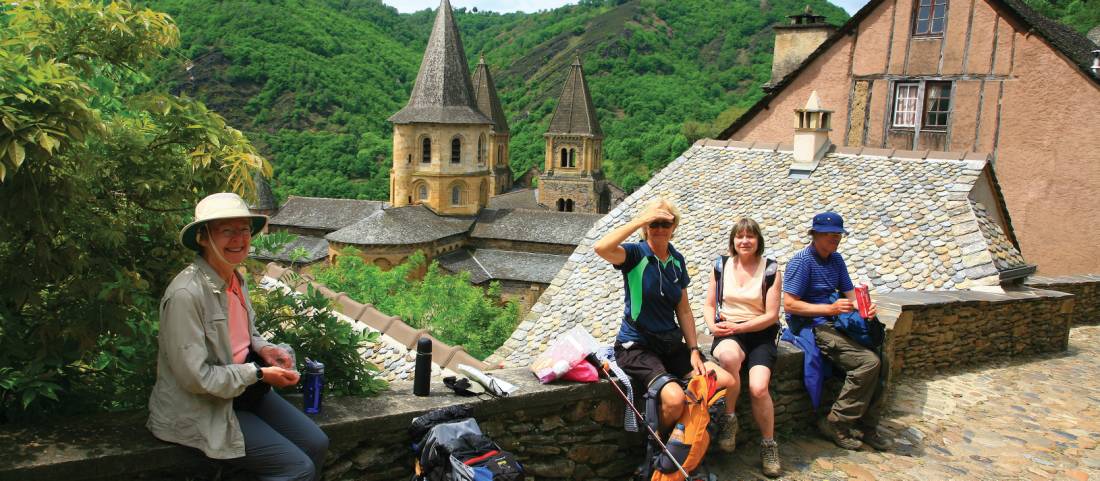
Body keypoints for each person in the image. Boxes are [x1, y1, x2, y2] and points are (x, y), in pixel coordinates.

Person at [147, 193, 329, 481]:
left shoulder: (235, 278)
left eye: (243, 229)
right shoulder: (186, 294)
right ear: (203, 238)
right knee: (296, 468)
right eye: (227, 231)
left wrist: (266, 350)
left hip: (242, 392)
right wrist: (258, 374)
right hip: (201, 407)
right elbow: (196, 378)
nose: (238, 239)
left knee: (317, 443)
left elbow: (246, 334)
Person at [593, 198, 737, 443]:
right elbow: (601, 248)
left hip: (669, 344)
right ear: (646, 227)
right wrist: (641, 218)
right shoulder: (636, 254)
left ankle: (680, 440)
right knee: (673, 399)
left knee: (725, 381)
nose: (659, 229)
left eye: (665, 223)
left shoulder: (676, 260)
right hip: (636, 345)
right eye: (654, 223)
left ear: (674, 227)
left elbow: (683, 310)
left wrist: (693, 350)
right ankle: (656, 443)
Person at [782, 212, 891, 451]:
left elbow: (850, 294)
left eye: (838, 234)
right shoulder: (802, 261)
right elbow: (789, 304)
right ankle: (836, 421)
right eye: (830, 234)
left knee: (883, 359)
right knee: (868, 363)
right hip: (813, 325)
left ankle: (868, 424)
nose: (836, 238)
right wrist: (829, 308)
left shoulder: (836, 260)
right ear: (816, 234)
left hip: (836, 320)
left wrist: (864, 308)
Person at [702, 218, 782, 477]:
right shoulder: (721, 266)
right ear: (733, 241)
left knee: (759, 388)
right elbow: (709, 305)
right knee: (728, 358)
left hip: (759, 335)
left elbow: (771, 315)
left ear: (758, 241)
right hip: (728, 332)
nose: (744, 241)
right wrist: (712, 327)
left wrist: (740, 327)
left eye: (750, 236)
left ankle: (769, 445)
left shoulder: (770, 270)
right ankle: (729, 419)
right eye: (740, 237)